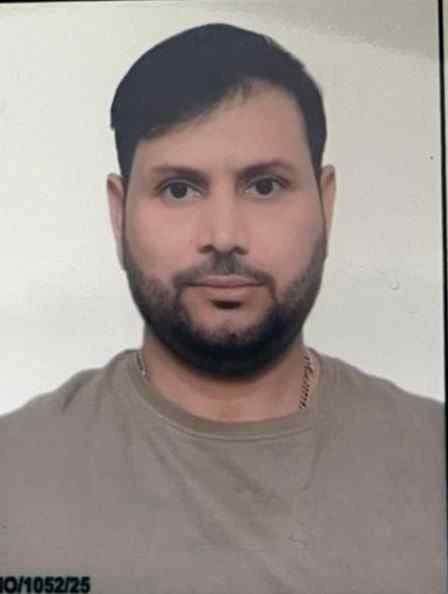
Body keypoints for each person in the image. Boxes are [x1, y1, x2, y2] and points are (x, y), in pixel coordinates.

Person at [1, 22, 445, 594]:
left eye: (264, 186)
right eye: (179, 189)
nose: (224, 235)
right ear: (118, 213)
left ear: (325, 202)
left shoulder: (432, 457)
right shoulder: (15, 472)